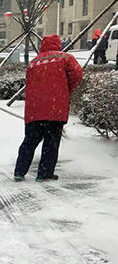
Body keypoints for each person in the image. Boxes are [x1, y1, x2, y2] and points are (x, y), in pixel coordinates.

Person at [14, 35, 83, 182]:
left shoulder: (34, 62)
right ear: (58, 44)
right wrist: (65, 90)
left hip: (34, 110)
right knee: (51, 143)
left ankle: (19, 171)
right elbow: (77, 74)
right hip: (54, 109)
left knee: (29, 141)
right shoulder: (65, 58)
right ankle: (44, 175)